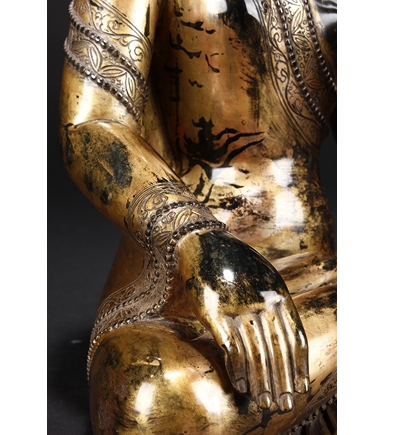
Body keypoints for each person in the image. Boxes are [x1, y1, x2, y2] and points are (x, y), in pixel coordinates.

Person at [59, 0, 336, 433]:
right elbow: (91, 124)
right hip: (184, 278)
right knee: (153, 395)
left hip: (324, 270)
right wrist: (197, 240)